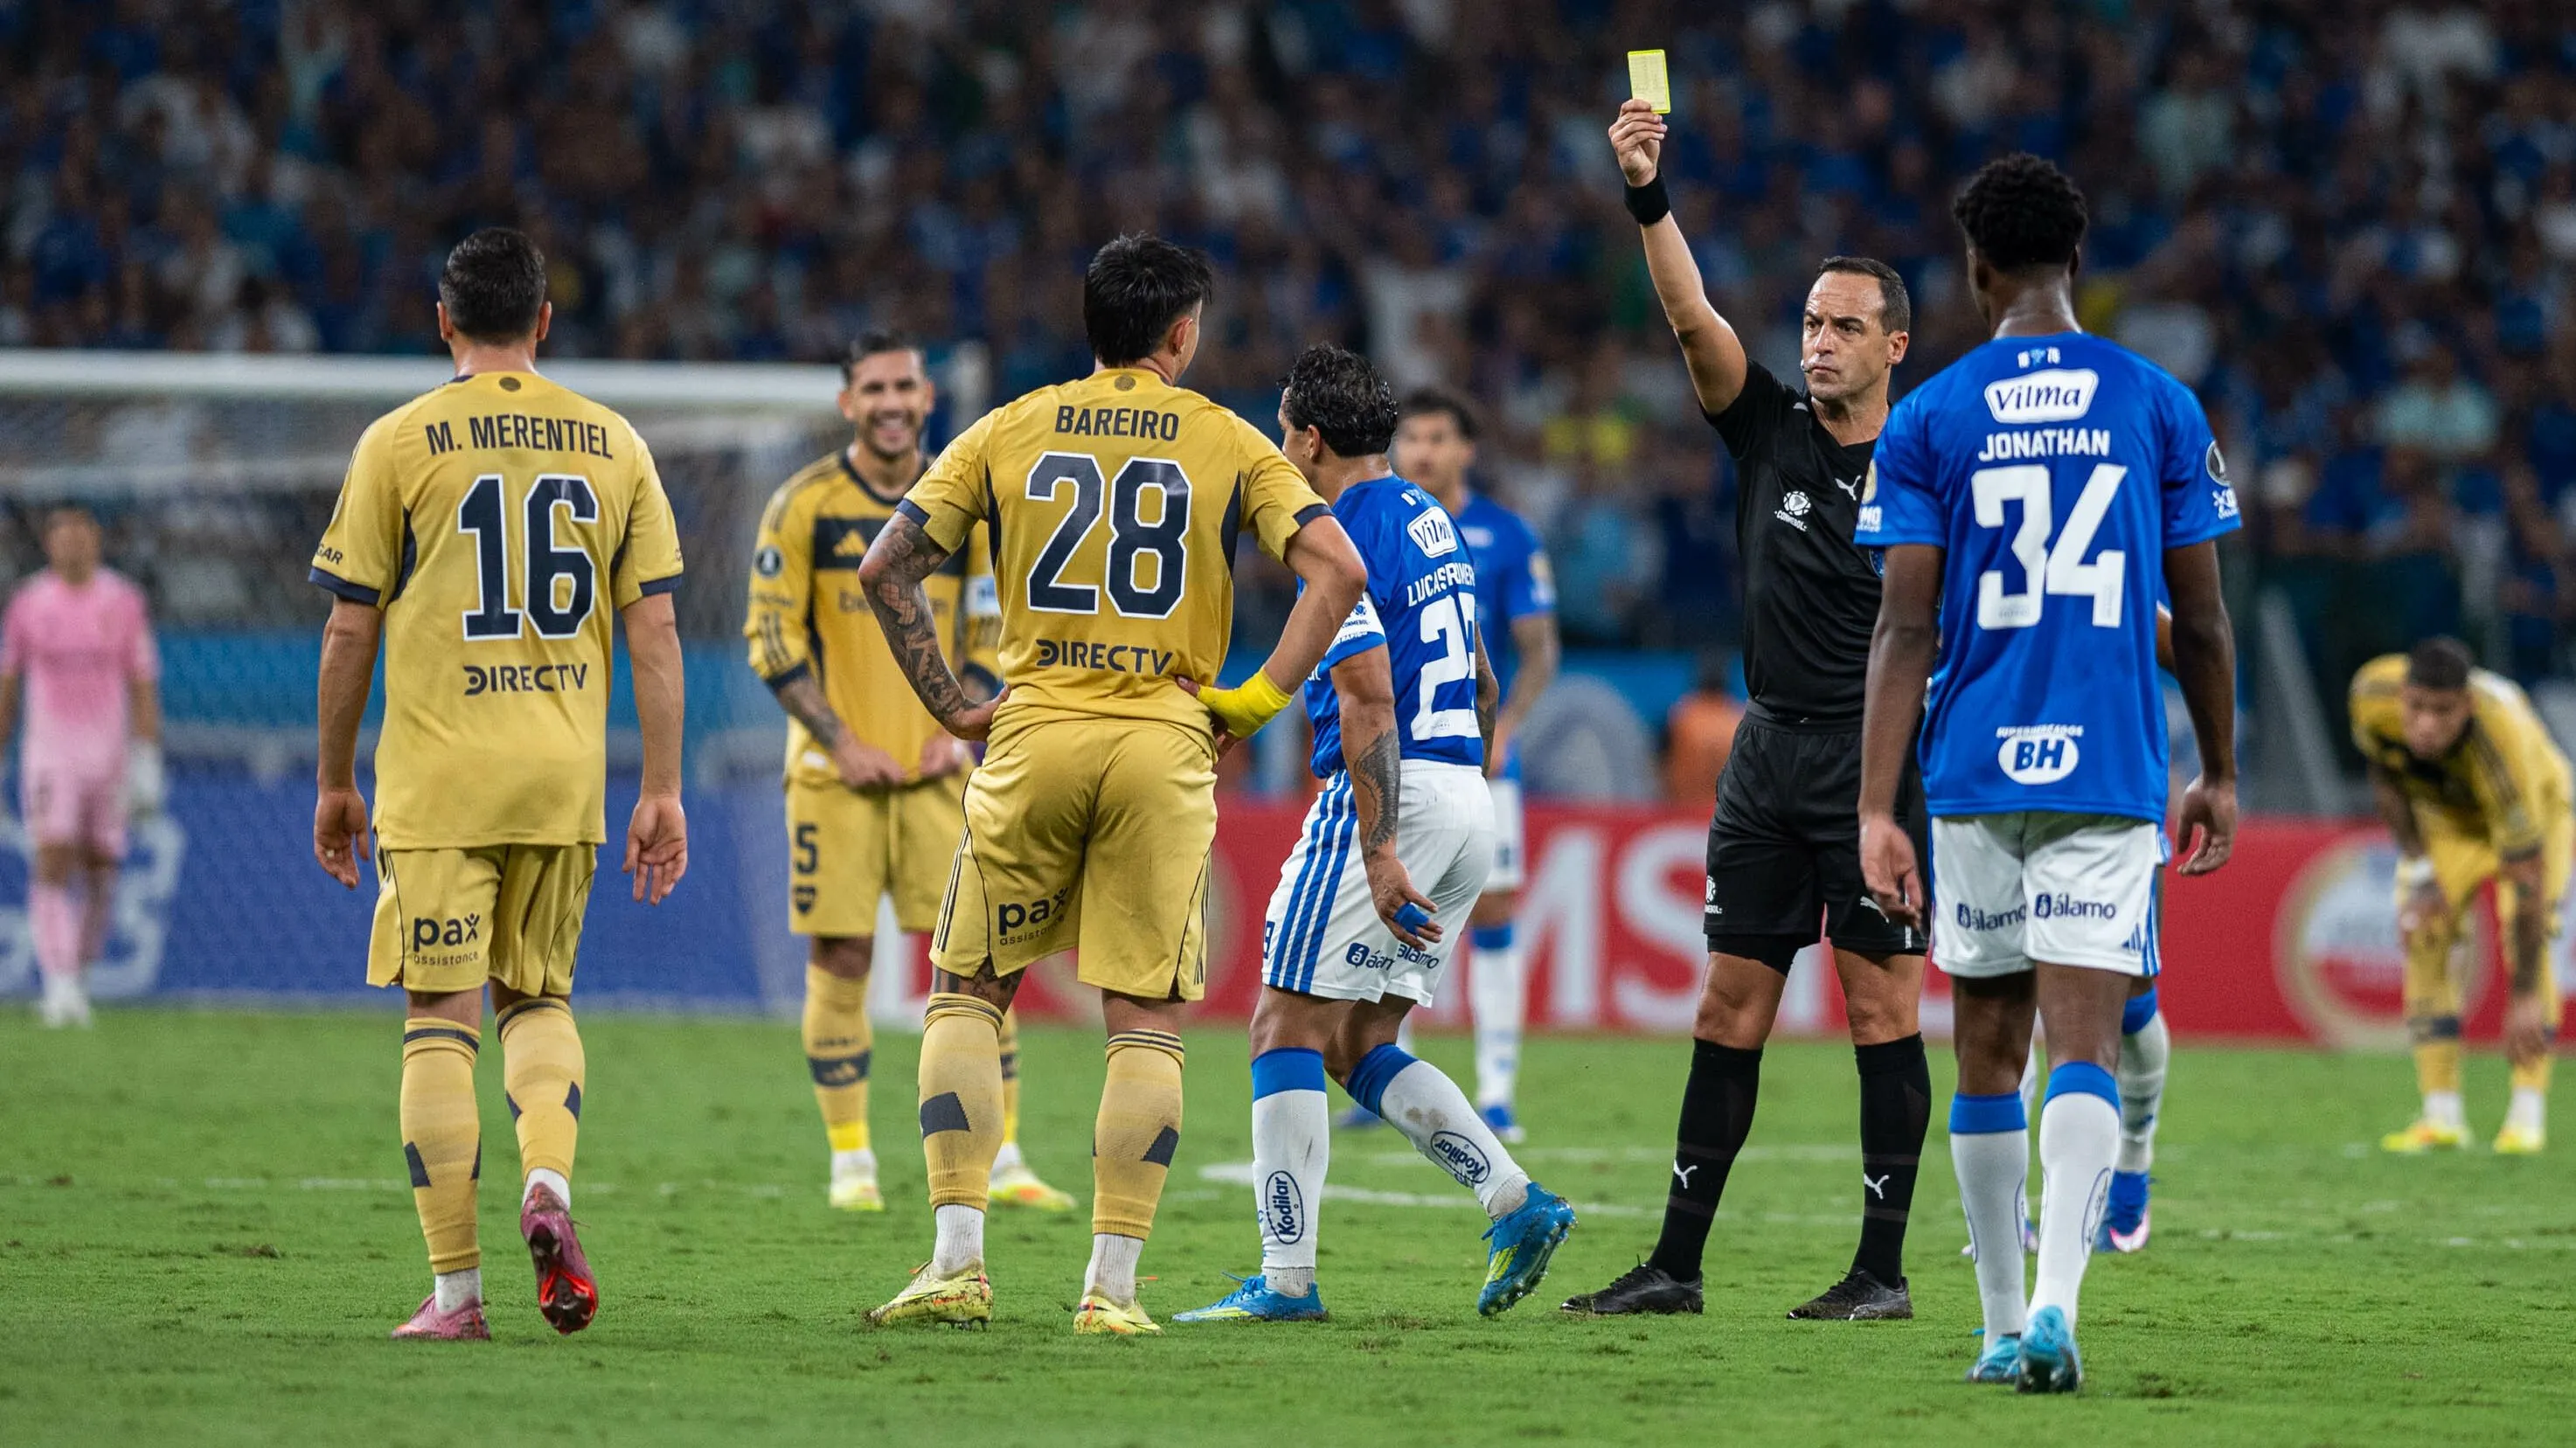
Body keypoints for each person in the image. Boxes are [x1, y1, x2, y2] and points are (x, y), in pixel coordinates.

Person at [857, 234, 1366, 1335]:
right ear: (1180, 335)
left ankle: (956, 1263)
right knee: (1144, 1016)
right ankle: (1112, 1290)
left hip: (1033, 731)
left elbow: (885, 565)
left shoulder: (1008, 427)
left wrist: (954, 705)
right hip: (1162, 743)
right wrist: (1252, 701)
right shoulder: (1228, 439)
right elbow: (1338, 570)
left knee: (969, 988)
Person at [1854, 152, 2239, 1392]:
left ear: (1973, 272)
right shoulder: (2156, 403)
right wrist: (2220, 770)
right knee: (2085, 1041)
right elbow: (2204, 620)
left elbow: (1902, 628)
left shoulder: (1927, 417)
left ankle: (1994, 1323)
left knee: (1985, 1049)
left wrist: (1874, 808)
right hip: (2109, 765)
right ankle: (2059, 1309)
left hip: (1973, 770)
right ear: (2077, 260)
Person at [1561, 99, 1936, 1323]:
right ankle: (1674, 1265)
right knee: (1727, 1003)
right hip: (1765, 754)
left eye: (1845, 327)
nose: (1818, 342)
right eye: (1811, 323)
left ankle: (1879, 1273)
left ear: (1894, 345)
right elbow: (1689, 318)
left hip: (1877, 769)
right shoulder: (1767, 428)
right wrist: (1646, 193)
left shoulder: (1930, 465)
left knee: (1878, 1007)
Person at [309, 227, 691, 1342]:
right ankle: (549, 1185)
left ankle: (457, 1297)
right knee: (539, 1000)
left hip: (439, 775)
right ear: (544, 322)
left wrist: (334, 779)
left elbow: (349, 628)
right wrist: (661, 786)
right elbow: (657, 630)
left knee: (442, 1016)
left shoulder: (398, 440)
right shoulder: (614, 441)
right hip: (562, 778)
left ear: (443, 322)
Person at [1173, 345, 1576, 1326]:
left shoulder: (1339, 532)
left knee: (1281, 1025)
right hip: (1466, 790)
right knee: (1357, 1039)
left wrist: (1383, 844)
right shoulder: (1434, 520)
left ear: (1309, 439)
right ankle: (1515, 1200)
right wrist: (1458, 788)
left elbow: (1366, 697)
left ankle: (1285, 1279)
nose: (1279, 448)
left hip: (1396, 797)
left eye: (1282, 432)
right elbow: (1482, 678)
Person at [744, 331, 1073, 1214]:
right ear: (847, 402)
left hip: (939, 776)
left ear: (928, 398)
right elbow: (771, 638)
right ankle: (850, 1159)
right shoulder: (802, 505)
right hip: (835, 778)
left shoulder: (963, 506)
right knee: (842, 952)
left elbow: (994, 627)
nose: (890, 403)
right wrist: (839, 741)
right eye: (873, 389)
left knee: (980, 959)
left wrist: (958, 728)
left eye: (904, 387)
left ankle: (1004, 1157)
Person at [1391, 386, 1559, 1141]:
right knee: (1390, 904)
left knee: (1492, 911)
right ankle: (1385, 1068)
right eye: (1411, 438)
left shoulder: (1506, 533)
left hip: (1481, 757)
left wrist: (1507, 728)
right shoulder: (1376, 523)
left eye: (1437, 438)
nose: (1422, 451)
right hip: (1395, 752)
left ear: (1465, 449)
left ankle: (1496, 1092)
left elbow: (1538, 651)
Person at [2351, 637, 2567, 1155]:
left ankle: (2526, 1116)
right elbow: (2386, 776)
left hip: (2538, 813)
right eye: (2418, 708)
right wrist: (2420, 866)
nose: (2426, 724)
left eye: (2443, 712)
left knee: (2529, 936)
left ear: (2468, 706)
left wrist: (2522, 996)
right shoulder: (2371, 694)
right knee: (2423, 931)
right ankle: (2441, 1115)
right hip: (2449, 820)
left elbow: (2527, 881)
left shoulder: (2505, 751)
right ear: (2402, 695)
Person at [1, 505, 162, 1029]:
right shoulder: (28, 603)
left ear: (97, 539)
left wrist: (146, 758)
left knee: (101, 868)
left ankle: (80, 972)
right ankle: (59, 984)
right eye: (61, 535)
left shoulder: (124, 601)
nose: (72, 544)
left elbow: (142, 683)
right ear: (48, 544)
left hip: (109, 758)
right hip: (51, 754)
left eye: (81, 533)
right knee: (52, 857)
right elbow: (8, 684)